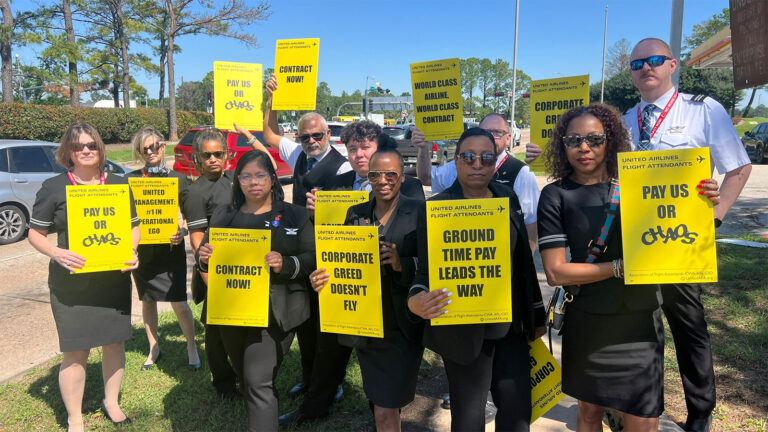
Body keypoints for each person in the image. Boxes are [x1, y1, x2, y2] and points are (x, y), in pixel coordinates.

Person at [623, 37, 752, 432]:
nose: (646, 68)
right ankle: (649, 408)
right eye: (638, 63)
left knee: (689, 328)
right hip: (639, 244)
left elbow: (739, 167)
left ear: (672, 64)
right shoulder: (627, 118)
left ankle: (700, 412)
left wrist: (715, 217)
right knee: (644, 331)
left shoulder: (702, 110)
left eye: (655, 60)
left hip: (682, 243)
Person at [407, 128, 546, 432]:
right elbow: (424, 273)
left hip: (511, 326)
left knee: (517, 412)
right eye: (468, 157)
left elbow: (522, 261)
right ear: (455, 161)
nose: (477, 164)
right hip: (463, 332)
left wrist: (536, 314)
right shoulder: (435, 209)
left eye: (486, 157)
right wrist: (415, 299)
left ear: (496, 162)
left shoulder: (507, 198)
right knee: (468, 419)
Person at [27, 122, 140, 431]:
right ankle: (75, 417)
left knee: (114, 344)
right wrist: (56, 253)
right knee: (76, 352)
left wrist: (131, 251)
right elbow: (34, 233)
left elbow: (133, 225)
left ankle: (112, 402)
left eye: (92, 145)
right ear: (69, 152)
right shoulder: (54, 187)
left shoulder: (118, 183)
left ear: (100, 149)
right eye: (79, 146)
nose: (87, 150)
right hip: (71, 285)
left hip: (112, 281)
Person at [197, 150, 315, 431]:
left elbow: (312, 257)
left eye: (260, 175)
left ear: (273, 179)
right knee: (246, 375)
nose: (253, 182)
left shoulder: (294, 216)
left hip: (275, 314)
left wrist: (285, 264)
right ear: (237, 181)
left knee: (257, 379)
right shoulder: (224, 215)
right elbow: (209, 257)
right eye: (246, 176)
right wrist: (205, 255)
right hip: (233, 312)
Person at [309, 148, 423, 431]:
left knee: (385, 407)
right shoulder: (356, 213)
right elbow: (342, 260)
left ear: (402, 176)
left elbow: (432, 265)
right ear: (368, 177)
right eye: (375, 174)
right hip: (366, 324)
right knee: (381, 404)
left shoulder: (419, 212)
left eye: (391, 174)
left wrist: (402, 263)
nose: (383, 180)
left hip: (400, 326)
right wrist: (322, 278)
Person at [126, 127, 200, 370]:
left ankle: (191, 345)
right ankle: (153, 347)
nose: (151, 151)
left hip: (171, 249)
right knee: (148, 301)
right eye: (144, 148)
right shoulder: (132, 180)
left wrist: (183, 232)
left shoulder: (178, 179)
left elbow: (191, 217)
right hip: (145, 252)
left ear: (163, 146)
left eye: (155, 146)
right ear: (139, 152)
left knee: (179, 303)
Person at [414, 113, 540, 251]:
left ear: (508, 138)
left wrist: (524, 266)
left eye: (497, 132)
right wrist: (423, 148)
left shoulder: (522, 173)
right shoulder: (459, 164)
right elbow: (426, 178)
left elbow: (531, 224)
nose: (476, 165)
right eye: (486, 131)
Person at [184, 128, 239, 398]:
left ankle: (242, 372)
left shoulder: (235, 180)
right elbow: (196, 239)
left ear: (227, 155)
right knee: (215, 330)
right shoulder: (195, 192)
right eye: (207, 155)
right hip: (213, 271)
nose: (213, 159)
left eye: (219, 153)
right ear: (198, 158)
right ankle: (223, 382)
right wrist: (210, 278)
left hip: (239, 266)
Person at [261, 74, 352, 207]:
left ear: (328, 134)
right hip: (298, 226)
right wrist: (272, 100)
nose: (311, 140)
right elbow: (270, 135)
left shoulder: (343, 167)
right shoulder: (297, 153)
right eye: (305, 137)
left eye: (317, 135)